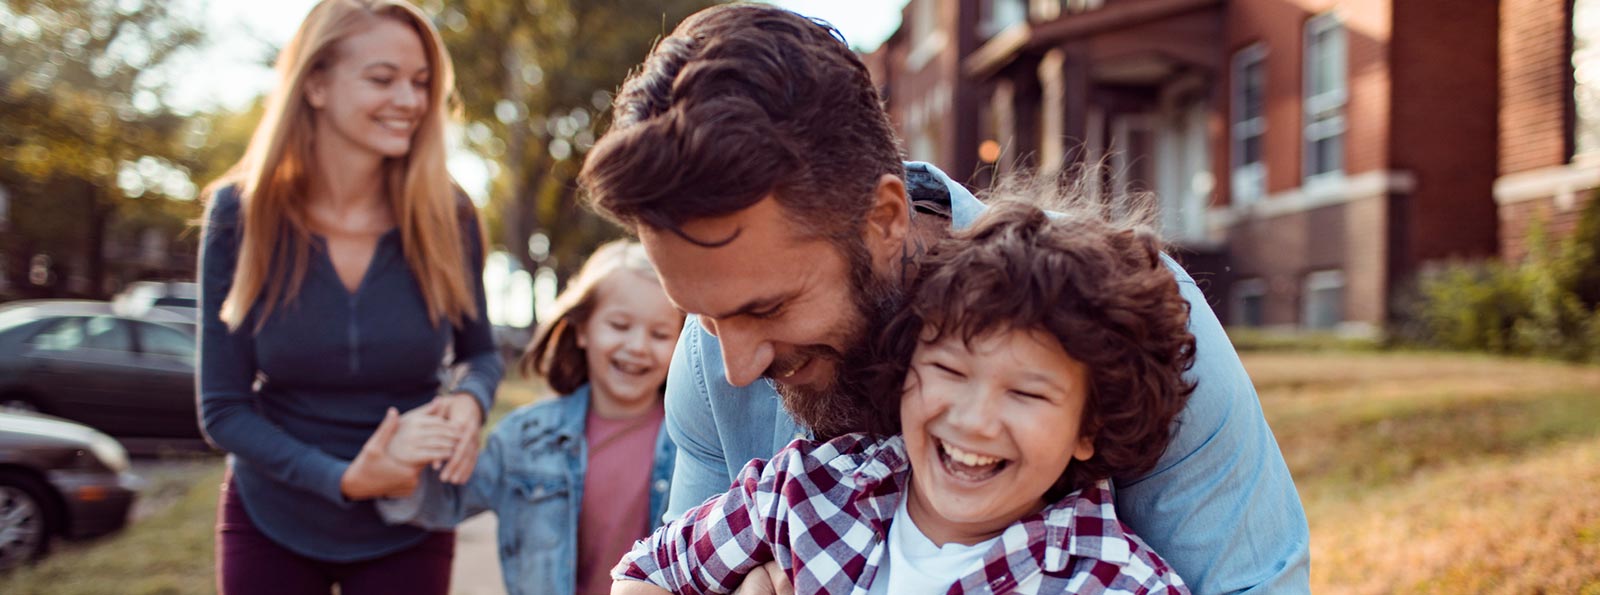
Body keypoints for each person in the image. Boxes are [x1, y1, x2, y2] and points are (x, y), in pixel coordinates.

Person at [578, 4, 1310, 593]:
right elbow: (665, 569)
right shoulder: (724, 381)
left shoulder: (1118, 313)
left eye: (766, 309)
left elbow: (1254, 582)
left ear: (888, 218)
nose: (734, 365)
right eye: (704, 317)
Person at [613, 198, 1194, 594]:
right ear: (906, 369)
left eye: (1026, 392)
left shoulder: (1118, 582)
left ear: (1088, 427)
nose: (974, 420)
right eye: (949, 370)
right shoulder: (806, 494)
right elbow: (644, 572)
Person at [196, 1, 502, 593]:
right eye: (382, 79)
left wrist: (468, 401)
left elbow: (481, 355)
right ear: (314, 84)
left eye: (420, 83)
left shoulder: (450, 213)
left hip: (410, 516)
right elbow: (223, 408)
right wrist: (343, 478)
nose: (411, 102)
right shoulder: (240, 214)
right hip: (271, 516)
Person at [375, 240, 684, 595]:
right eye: (619, 325)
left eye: (660, 334)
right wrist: (398, 461)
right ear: (582, 330)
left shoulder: (696, 443)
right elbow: (444, 502)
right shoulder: (524, 438)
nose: (638, 346)